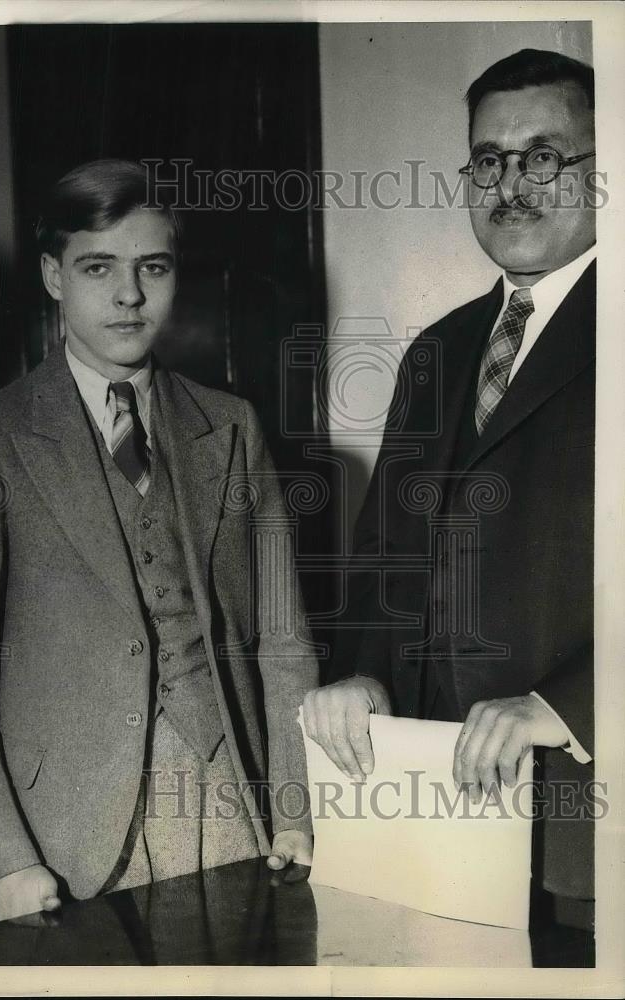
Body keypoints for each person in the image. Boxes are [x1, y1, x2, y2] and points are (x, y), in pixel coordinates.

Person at [0, 159, 316, 923]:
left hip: (230, 801)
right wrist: (4, 860)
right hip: (66, 833)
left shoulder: (231, 425)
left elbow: (283, 641)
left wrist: (294, 809)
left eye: (152, 268)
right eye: (97, 267)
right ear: (53, 275)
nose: (128, 295)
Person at [303, 48, 597, 925]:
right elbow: (385, 561)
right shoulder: (437, 350)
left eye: (544, 156)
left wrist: (565, 705)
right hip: (432, 823)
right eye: (488, 161)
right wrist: (358, 674)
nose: (513, 184)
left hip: (582, 837)